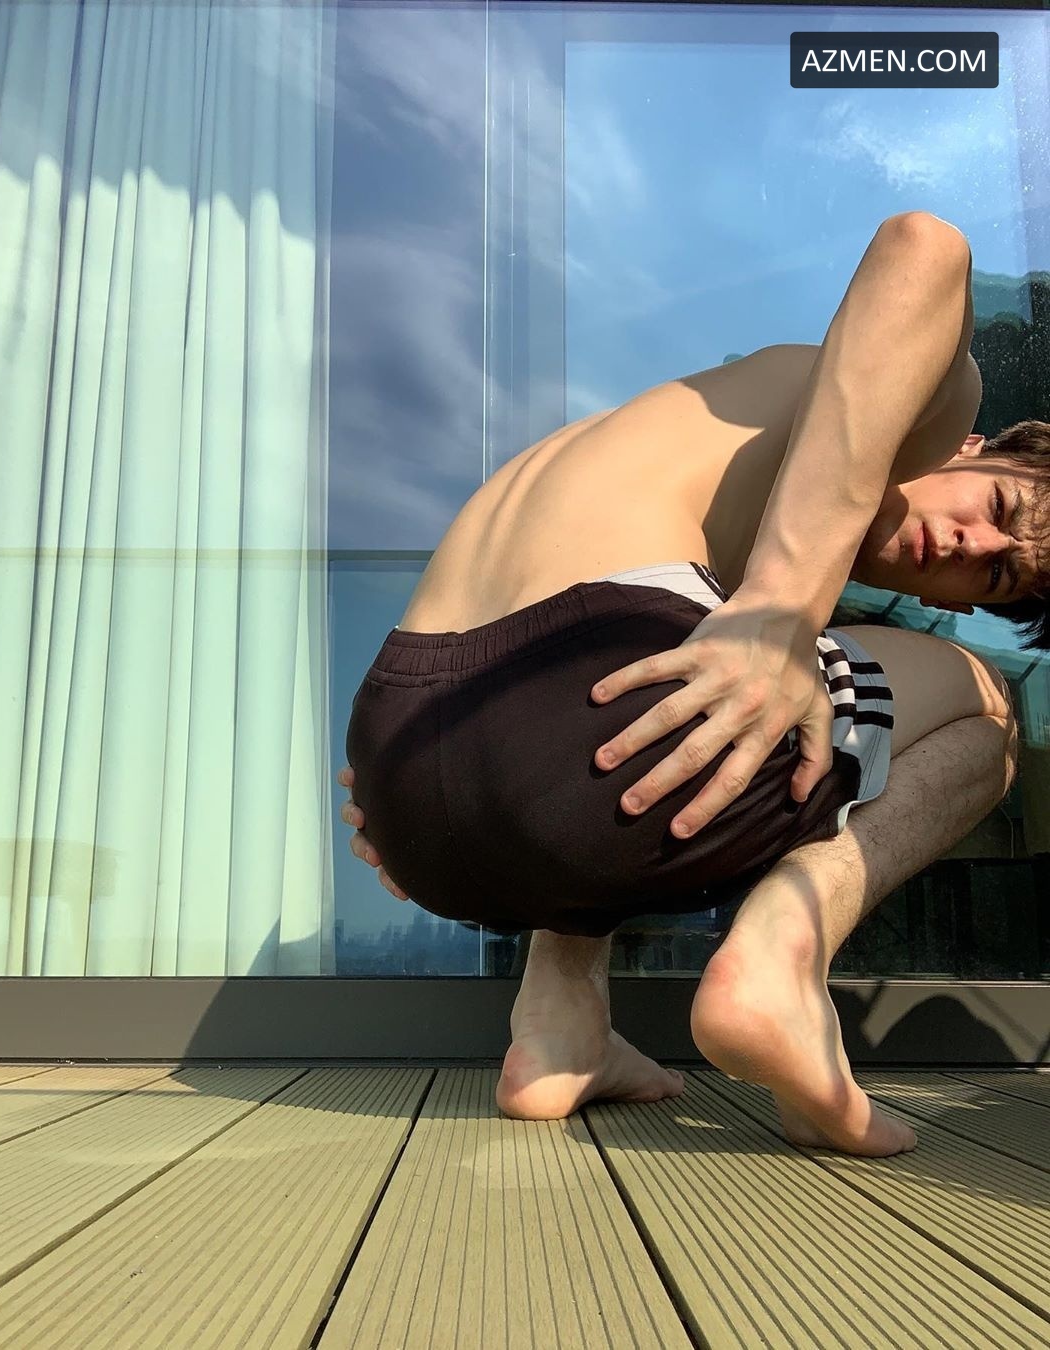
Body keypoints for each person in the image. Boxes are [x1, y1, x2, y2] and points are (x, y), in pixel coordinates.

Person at [339, 212, 1047, 1158]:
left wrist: (421, 793)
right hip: (572, 706)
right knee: (987, 710)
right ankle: (781, 963)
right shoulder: (917, 413)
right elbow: (925, 248)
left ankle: (558, 1030)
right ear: (970, 447)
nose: (971, 543)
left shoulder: (693, 458)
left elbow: (548, 692)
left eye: (995, 575)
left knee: (705, 676)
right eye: (998, 504)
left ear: (954, 600)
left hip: (401, 750)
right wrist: (784, 609)